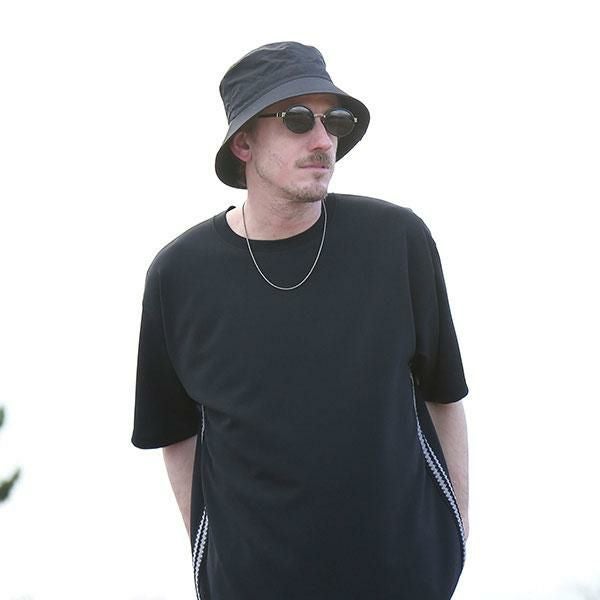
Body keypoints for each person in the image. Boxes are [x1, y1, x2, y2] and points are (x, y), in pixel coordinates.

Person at [131, 41, 470, 600]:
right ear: (244, 143)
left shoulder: (397, 241)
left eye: (333, 121)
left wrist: (454, 538)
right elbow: (173, 433)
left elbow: (444, 395)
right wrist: (217, 563)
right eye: (296, 119)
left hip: (404, 579)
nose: (323, 140)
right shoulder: (178, 276)